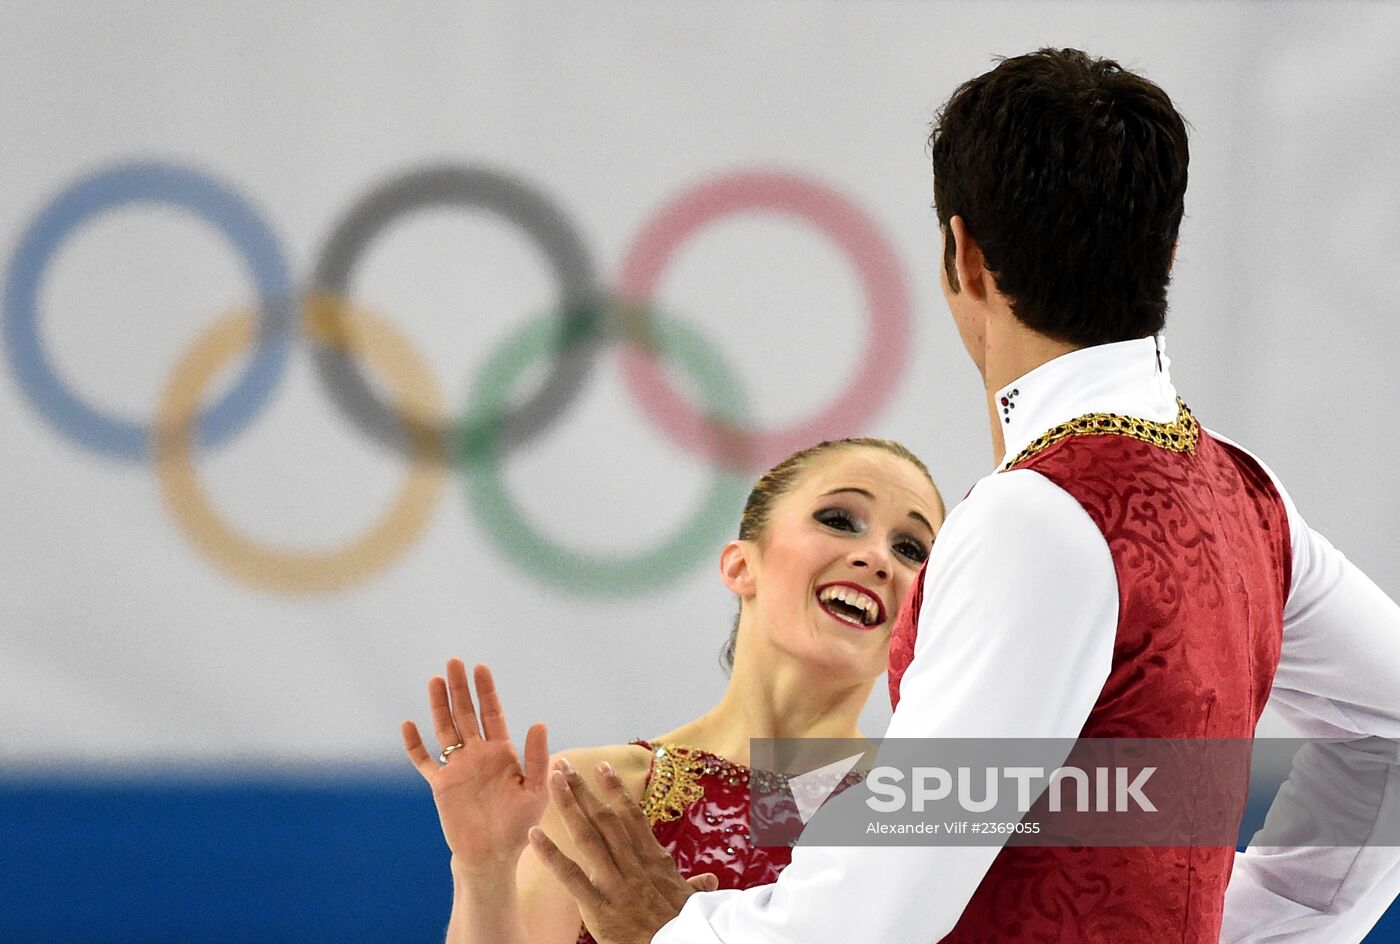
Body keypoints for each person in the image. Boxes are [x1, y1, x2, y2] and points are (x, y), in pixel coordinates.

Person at [527, 48, 1400, 943]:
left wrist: (678, 934)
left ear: (962, 253)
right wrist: (1252, 920)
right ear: (1168, 250)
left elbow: (884, 904)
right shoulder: (1248, 498)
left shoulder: (1039, 521)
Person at [401, 436, 947, 943]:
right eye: (839, 519)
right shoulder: (600, 795)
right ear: (740, 565)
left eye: (911, 550)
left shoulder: (925, 810)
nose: (877, 557)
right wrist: (485, 872)